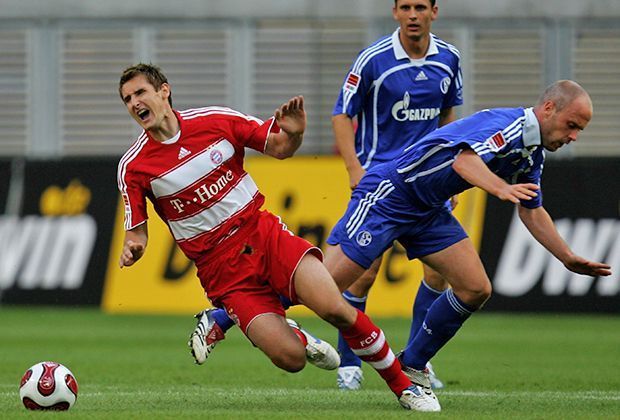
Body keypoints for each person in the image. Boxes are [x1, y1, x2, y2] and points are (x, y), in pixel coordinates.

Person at [116, 63, 440, 412]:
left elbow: (280, 147)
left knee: (337, 309)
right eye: (127, 99)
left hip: (264, 235)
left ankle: (406, 388)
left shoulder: (215, 121)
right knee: (291, 359)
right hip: (222, 272)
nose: (135, 103)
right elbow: (137, 232)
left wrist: (296, 134)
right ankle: (294, 335)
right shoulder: (133, 166)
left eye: (140, 93)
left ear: (164, 90)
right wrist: (133, 248)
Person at [323, 80, 612, 407]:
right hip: (391, 195)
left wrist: (566, 256)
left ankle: (412, 364)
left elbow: (531, 210)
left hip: (428, 210)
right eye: (571, 125)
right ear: (549, 109)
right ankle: (267, 306)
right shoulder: (510, 126)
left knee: (475, 287)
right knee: (323, 286)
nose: (573, 136)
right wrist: (500, 188)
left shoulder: (531, 154)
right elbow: (464, 162)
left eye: (580, 131)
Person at [328, 0, 462, 390]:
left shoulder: (449, 59)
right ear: (395, 12)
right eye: (406, 7)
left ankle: (418, 360)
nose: (413, 14)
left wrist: (450, 174)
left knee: (439, 272)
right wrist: (354, 168)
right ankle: (349, 363)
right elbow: (341, 113)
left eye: (421, 7)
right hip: (382, 183)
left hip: (429, 182)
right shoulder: (372, 59)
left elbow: (447, 116)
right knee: (363, 272)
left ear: (435, 12)